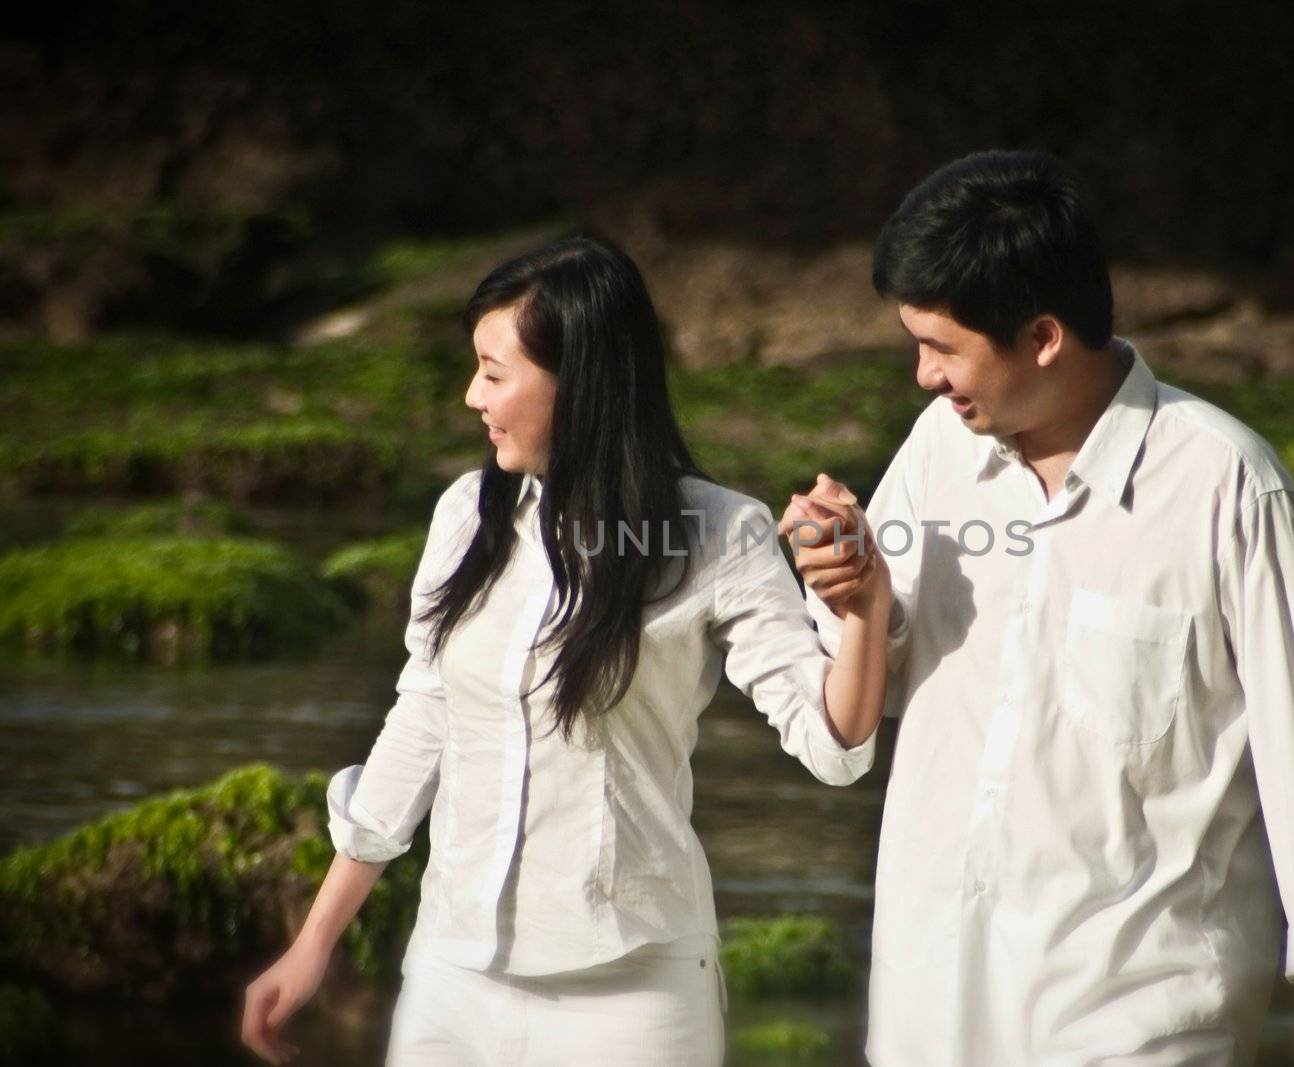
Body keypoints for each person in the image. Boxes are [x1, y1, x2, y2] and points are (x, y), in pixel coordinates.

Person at [784, 151, 1294, 1065]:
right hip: (932, 1004)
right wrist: (853, 581)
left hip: (1139, 1013)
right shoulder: (936, 453)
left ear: (1041, 337)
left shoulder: (1226, 486)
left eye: (943, 348)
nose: (921, 377)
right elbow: (872, 681)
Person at [240, 235, 892, 1066]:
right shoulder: (466, 512)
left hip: (635, 992)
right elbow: (423, 721)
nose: (472, 395)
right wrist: (313, 943)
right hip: (452, 973)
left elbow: (834, 749)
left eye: (494, 371)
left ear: (579, 381)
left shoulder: (720, 531)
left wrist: (861, 606)